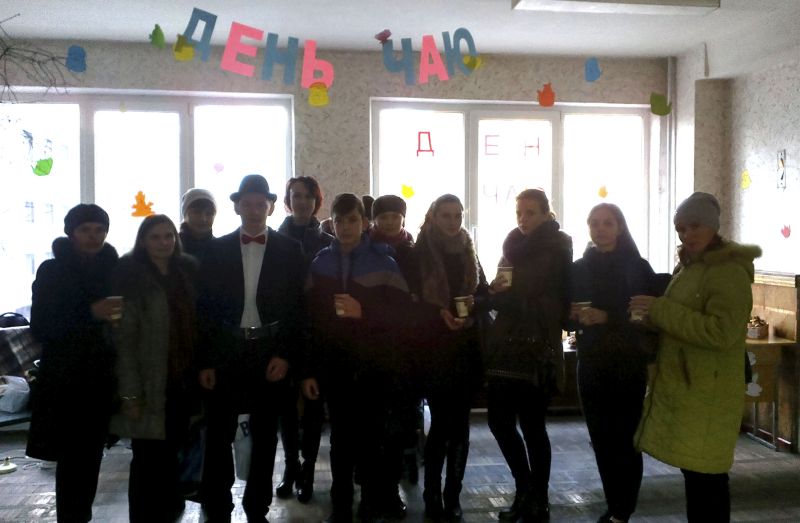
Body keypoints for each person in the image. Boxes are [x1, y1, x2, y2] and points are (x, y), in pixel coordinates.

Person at [630, 192, 761, 522]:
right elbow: (684, 319)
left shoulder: (727, 270)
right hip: (692, 388)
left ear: (713, 226)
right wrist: (652, 319)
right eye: (681, 229)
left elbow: (721, 332)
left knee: (707, 478)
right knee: (697, 475)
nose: (687, 234)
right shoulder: (691, 267)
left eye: (695, 226)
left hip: (709, 391)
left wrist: (661, 310)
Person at [196, 174, 306, 523]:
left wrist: (285, 355)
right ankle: (217, 506)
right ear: (237, 207)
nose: (255, 210)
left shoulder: (290, 250)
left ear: (271, 207)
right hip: (226, 349)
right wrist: (206, 361)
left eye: (261, 204)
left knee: (265, 434)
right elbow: (205, 310)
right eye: (248, 204)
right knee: (218, 432)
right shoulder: (216, 249)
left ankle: (257, 506)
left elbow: (298, 309)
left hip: (269, 350)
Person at [300, 193, 411, 523]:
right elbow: (309, 322)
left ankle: (373, 502)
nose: (346, 227)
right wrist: (309, 370)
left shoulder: (384, 262)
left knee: (373, 437)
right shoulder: (320, 263)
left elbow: (403, 316)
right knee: (340, 438)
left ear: (364, 223)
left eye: (352, 220)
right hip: (335, 365)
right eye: (339, 220)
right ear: (331, 224)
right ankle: (341, 502)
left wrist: (365, 311)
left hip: (375, 366)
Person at [570, 203, 668, 523]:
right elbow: (566, 314)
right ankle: (614, 505)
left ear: (620, 227)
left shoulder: (635, 266)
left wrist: (607, 317)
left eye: (607, 223)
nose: (600, 229)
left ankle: (623, 509)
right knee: (600, 439)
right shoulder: (579, 268)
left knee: (625, 438)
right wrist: (573, 317)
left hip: (626, 362)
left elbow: (645, 318)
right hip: (591, 361)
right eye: (594, 223)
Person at [27, 203, 120, 522]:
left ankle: (81, 516)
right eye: (85, 230)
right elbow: (41, 326)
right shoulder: (52, 271)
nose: (93, 237)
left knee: (91, 457)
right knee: (71, 461)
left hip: (102, 377)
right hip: (66, 379)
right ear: (71, 233)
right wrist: (91, 313)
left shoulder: (112, 269)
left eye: (100, 230)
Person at [484, 189, 572, 523]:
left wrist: (510, 300)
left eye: (530, 212)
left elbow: (556, 304)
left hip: (537, 348)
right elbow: (505, 288)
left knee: (533, 427)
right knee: (499, 422)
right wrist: (495, 291)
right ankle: (525, 488)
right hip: (506, 346)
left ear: (547, 214)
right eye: (519, 212)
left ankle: (539, 497)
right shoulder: (512, 246)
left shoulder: (558, 248)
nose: (523, 219)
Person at [110, 214, 200, 522]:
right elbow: (125, 344)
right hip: (148, 386)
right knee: (147, 462)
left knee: (172, 456)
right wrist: (130, 396)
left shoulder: (185, 274)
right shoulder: (131, 278)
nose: (164, 243)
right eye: (155, 237)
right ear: (143, 241)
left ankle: (168, 512)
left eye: (169, 236)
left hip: (181, 382)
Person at [414, 194, 489, 522]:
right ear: (433, 217)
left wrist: (473, 309)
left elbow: (483, 294)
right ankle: (432, 492)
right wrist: (438, 314)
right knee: (442, 425)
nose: (453, 221)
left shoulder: (469, 250)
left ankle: (452, 494)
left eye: (457, 215)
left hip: (464, 349)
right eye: (446, 215)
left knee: (460, 426)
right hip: (433, 349)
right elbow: (411, 303)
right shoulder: (419, 252)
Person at [273, 176, 333, 503]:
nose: (302, 202)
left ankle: (308, 469)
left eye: (309, 196)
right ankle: (290, 465)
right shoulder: (274, 239)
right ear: (287, 200)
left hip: (317, 333)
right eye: (296, 196)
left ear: (317, 201)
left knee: (313, 407)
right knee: (285, 406)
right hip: (283, 332)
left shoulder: (328, 241)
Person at [179, 188, 217, 262]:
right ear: (185, 214)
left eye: (209, 213)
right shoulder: (171, 246)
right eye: (197, 212)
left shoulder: (221, 248)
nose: (203, 219)